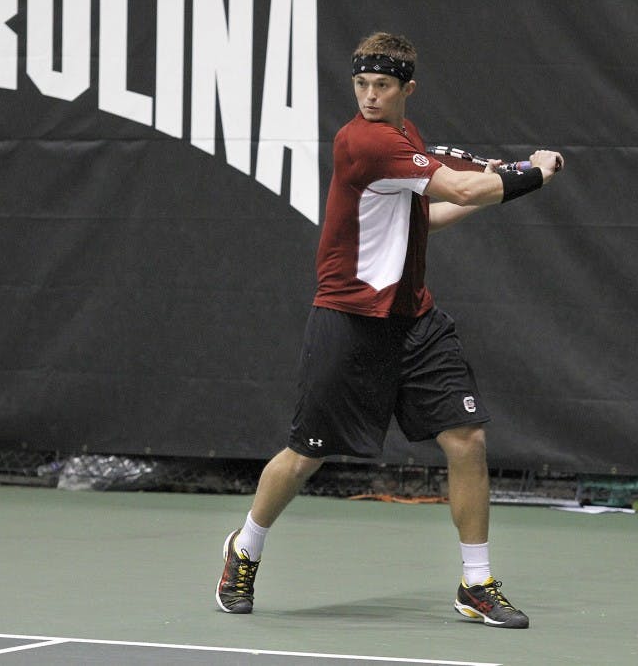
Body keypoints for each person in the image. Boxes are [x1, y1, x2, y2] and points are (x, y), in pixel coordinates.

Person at [216, 32, 563, 629]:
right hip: (348, 320)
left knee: (467, 439)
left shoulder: (406, 139)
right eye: (361, 84)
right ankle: (245, 548)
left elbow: (430, 214)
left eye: (382, 85)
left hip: (415, 321)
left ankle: (476, 582)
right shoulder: (364, 141)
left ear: (407, 89)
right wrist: (533, 175)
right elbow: (461, 185)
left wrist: (497, 187)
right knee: (305, 456)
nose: (369, 96)